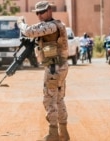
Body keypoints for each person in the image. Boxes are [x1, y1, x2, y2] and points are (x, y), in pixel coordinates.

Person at [17, 1, 69, 141]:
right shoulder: (58, 25)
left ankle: (53, 134)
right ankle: (63, 132)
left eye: (42, 12)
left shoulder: (51, 26)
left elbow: (28, 31)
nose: (39, 15)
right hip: (60, 66)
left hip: (54, 68)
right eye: (37, 13)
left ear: (49, 10)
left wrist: (21, 23)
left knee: (49, 99)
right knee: (58, 98)